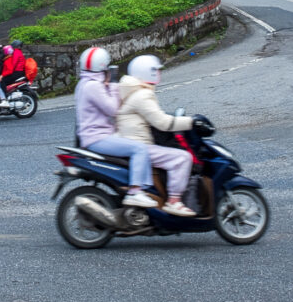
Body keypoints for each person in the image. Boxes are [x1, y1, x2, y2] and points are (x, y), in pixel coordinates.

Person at [116, 54, 204, 217]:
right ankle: (174, 201)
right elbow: (162, 122)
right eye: (156, 70)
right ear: (147, 72)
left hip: (132, 143)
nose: (159, 73)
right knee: (182, 158)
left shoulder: (134, 91)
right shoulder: (142, 95)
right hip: (140, 145)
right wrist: (192, 122)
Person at [74, 47, 157, 208]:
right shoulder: (94, 86)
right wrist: (112, 84)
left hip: (94, 134)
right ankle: (135, 191)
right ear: (103, 67)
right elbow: (113, 109)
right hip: (97, 137)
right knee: (140, 148)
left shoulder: (83, 83)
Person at [0, 40, 28, 106]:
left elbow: (13, 65)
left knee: (3, 81)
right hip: (20, 72)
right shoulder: (19, 52)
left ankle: (5, 100)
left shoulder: (16, 52)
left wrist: (2, 75)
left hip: (18, 73)